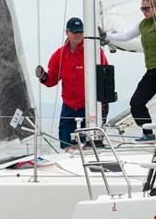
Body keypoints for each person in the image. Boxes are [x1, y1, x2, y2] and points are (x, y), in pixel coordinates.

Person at [103, 0, 156, 144]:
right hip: (152, 69)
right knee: (136, 102)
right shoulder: (143, 24)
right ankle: (148, 134)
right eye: (142, 9)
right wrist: (106, 36)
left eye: (147, 9)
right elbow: (126, 36)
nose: (144, 12)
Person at [35, 17, 109, 149]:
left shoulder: (93, 52)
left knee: (89, 146)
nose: (78, 35)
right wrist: (43, 77)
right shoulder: (59, 54)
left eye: (81, 32)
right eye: (75, 32)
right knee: (66, 146)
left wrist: (103, 104)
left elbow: (105, 75)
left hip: (89, 107)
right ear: (67, 32)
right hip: (69, 106)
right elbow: (52, 79)